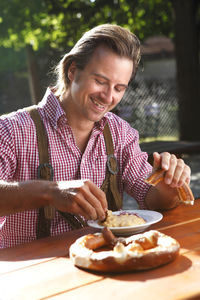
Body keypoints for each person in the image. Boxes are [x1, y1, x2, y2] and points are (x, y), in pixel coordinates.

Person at [0, 24, 191, 248]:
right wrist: (50, 192)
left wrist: (169, 187)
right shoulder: (11, 130)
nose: (108, 96)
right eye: (100, 81)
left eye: (119, 88)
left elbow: (152, 198)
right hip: (30, 273)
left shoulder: (121, 133)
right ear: (72, 70)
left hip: (107, 264)